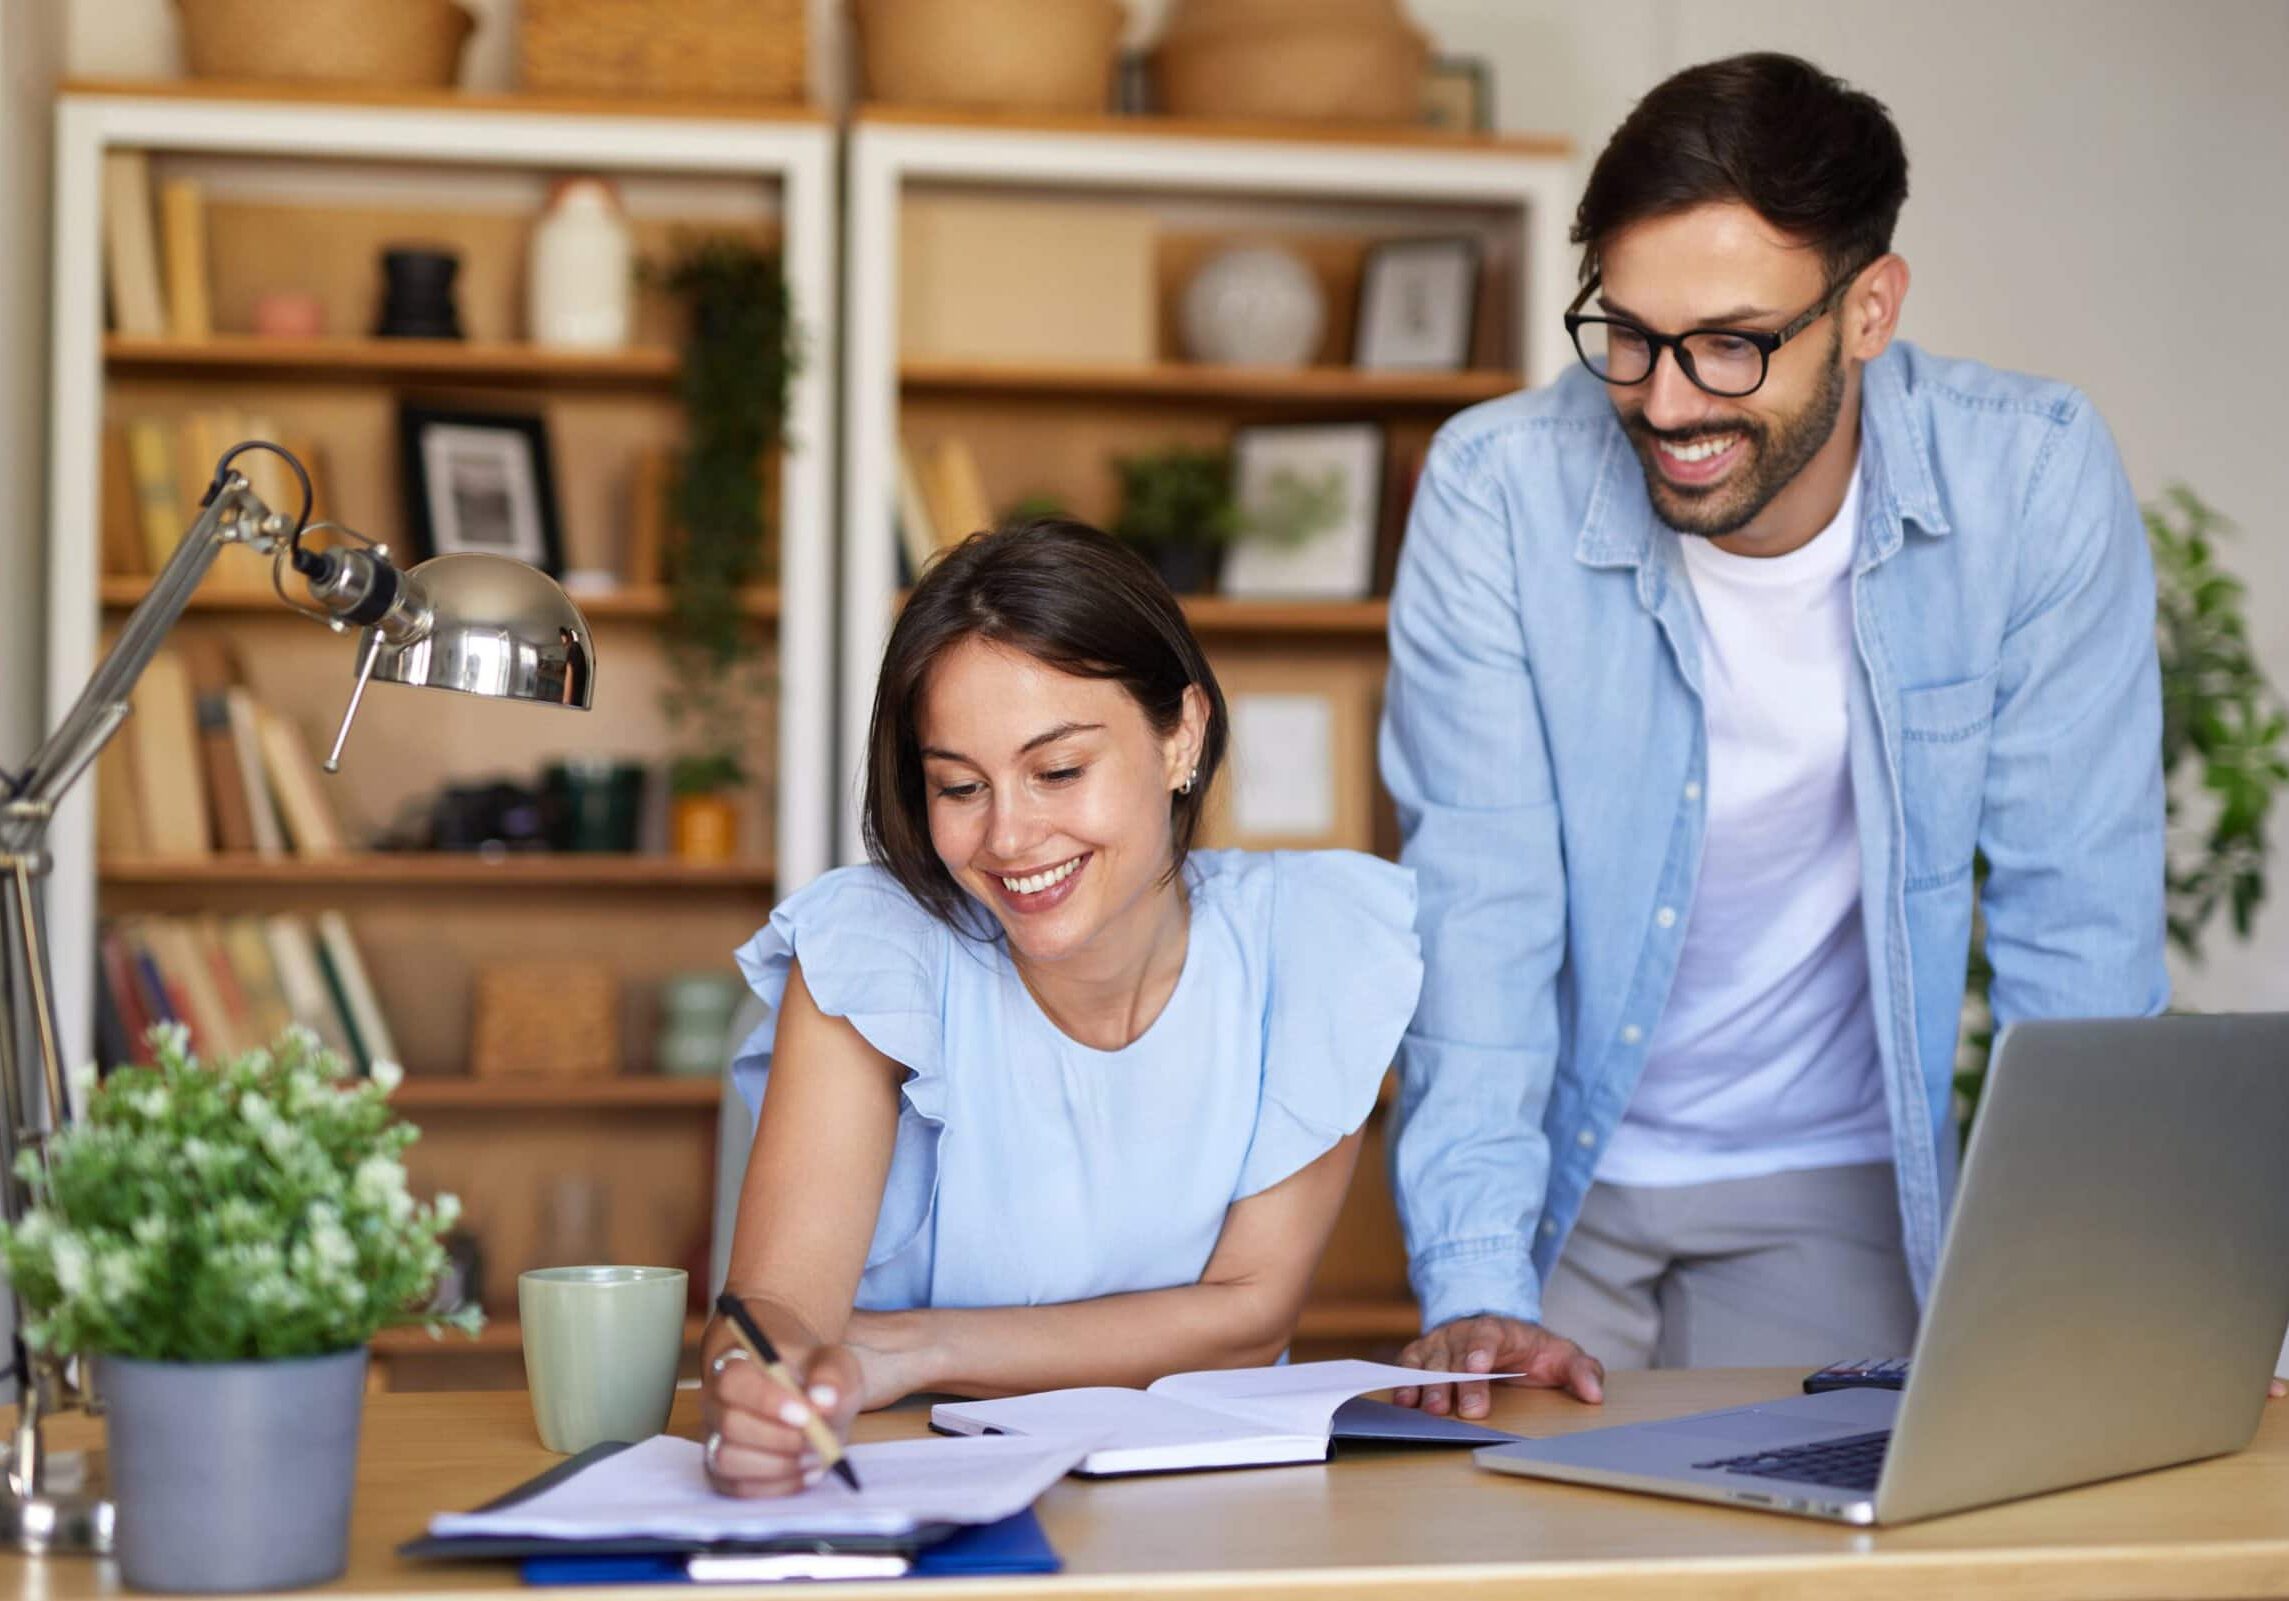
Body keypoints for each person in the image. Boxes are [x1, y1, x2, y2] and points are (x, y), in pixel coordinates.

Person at [1381, 52, 2174, 1420]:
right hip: (1558, 1176)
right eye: (1627, 335)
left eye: (1731, 343)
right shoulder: (1494, 494)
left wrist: (2106, 1308)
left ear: (1868, 309)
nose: (1669, 402)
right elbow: (1478, 918)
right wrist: (1471, 1273)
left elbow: (2080, 938)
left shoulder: (2029, 481)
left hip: (1833, 1183)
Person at [701, 518, 1424, 1495]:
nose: (1008, 834)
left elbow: (1249, 1315)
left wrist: (900, 1349)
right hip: (908, 1494)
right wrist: (760, 1381)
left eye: (1058, 771)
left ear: (1183, 735)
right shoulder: (876, 948)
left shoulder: (1314, 942)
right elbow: (779, 1306)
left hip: (1214, 1505)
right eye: (959, 784)